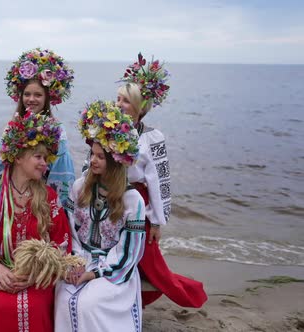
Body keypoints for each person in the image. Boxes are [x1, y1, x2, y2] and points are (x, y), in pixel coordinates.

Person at [0, 111, 72, 332]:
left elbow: (62, 243)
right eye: (38, 157)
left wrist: (35, 274)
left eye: (45, 158)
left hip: (38, 277)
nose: (44, 164)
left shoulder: (48, 197)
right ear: (17, 157)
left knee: (35, 306)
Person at [117, 53, 207, 308]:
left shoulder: (152, 138)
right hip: (110, 201)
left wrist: (156, 220)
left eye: (126, 100)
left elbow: (159, 180)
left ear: (139, 107)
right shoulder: (106, 129)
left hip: (138, 204)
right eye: (118, 99)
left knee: (147, 263)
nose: (120, 104)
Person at [55, 100, 146, 332]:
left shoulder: (132, 200)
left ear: (115, 163)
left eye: (100, 157)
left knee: (88, 303)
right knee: (63, 297)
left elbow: (129, 254)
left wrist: (94, 273)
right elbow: (71, 231)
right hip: (81, 259)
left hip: (114, 268)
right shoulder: (79, 187)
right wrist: (74, 262)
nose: (93, 160)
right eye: (92, 154)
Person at [0, 48, 75, 207]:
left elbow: (60, 178)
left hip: (41, 204)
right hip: (12, 203)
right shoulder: (11, 127)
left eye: (38, 95)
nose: (31, 99)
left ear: (47, 98)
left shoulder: (57, 132)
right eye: (27, 94)